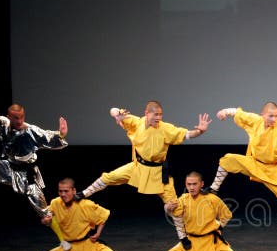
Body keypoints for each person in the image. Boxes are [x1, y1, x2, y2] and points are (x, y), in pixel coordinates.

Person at [75, 101, 211, 239]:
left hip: (158, 173)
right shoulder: (136, 122)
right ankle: (83, 193)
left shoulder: (166, 129)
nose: (158, 117)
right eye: (155, 114)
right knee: (108, 177)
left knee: (174, 205)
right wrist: (117, 114)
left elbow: (187, 134)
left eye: (160, 115)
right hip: (137, 168)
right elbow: (113, 110)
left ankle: (183, 237)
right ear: (147, 113)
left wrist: (200, 131)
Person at [0, 104, 70, 249]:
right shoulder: (4, 125)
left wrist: (61, 134)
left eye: (21, 118)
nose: (19, 121)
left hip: (27, 174)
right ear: (9, 117)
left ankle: (63, 240)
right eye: (15, 118)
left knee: (44, 211)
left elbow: (48, 137)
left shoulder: (30, 131)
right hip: (9, 167)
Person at [202, 102, 277, 234]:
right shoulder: (255, 121)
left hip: (271, 170)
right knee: (227, 159)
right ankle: (213, 189)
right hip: (253, 163)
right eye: (271, 116)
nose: (274, 119)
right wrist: (224, 111)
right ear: (263, 115)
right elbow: (237, 112)